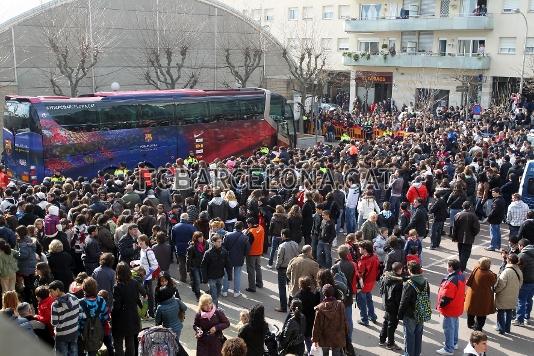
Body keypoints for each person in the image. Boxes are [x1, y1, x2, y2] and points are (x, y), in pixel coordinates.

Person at [398, 262, 429, 356]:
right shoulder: (425, 282)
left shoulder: (409, 284)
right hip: (421, 312)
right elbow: (427, 296)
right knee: (418, 335)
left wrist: (400, 314)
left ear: (410, 270)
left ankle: (409, 354)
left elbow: (404, 301)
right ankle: (416, 353)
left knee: (409, 336)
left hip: (410, 314)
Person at [112, 262, 143, 356]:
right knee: (130, 343)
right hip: (132, 317)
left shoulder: (117, 287)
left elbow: (116, 306)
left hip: (120, 320)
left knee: (118, 344)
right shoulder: (134, 282)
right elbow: (144, 293)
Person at [436, 259, 466, 356]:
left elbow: (447, 297)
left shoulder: (452, 280)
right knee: (455, 325)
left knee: (448, 328)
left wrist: (440, 305)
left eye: (448, 265)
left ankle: (449, 349)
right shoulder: (461, 276)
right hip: (457, 306)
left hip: (450, 308)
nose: (446, 267)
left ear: (451, 267)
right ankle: (454, 343)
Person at [312, 284, 347, 356]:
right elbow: (344, 321)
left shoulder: (319, 308)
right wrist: (345, 332)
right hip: (337, 336)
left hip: (324, 337)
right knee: (336, 353)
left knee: (324, 354)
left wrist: (315, 340)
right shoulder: (340, 305)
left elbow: (317, 326)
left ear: (323, 293)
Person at [464, 257, 497, 331]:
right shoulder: (489, 274)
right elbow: (493, 282)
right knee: (481, 314)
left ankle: (470, 324)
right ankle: (478, 328)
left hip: (473, 293)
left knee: (471, 310)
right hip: (483, 296)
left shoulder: (476, 269)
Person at [79, 277, 108, 356]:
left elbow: (78, 320)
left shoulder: (80, 303)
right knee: (93, 353)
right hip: (97, 332)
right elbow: (105, 317)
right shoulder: (101, 300)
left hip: (82, 334)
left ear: (84, 289)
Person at [49, 280, 80, 356]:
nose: (50, 294)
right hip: (74, 332)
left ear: (58, 290)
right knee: (73, 352)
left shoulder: (55, 305)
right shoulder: (75, 298)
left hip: (62, 335)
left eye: (51, 291)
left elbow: (54, 323)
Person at [201, 233, 232, 307]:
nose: (220, 243)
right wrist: (204, 278)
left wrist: (230, 276)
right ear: (213, 242)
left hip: (220, 276)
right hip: (211, 277)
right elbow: (203, 266)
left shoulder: (224, 252)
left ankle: (210, 302)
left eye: (221, 241)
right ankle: (215, 310)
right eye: (218, 241)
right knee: (214, 296)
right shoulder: (208, 253)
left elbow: (228, 265)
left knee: (217, 293)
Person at [495, 253, 523, 334]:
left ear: (509, 261)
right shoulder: (519, 271)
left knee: (500, 312)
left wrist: (496, 290)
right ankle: (507, 328)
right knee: (509, 311)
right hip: (513, 295)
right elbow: (520, 283)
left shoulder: (506, 271)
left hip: (503, 295)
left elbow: (501, 284)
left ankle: (501, 329)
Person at [378, 262, 403, 351]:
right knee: (392, 326)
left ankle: (382, 339)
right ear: (399, 270)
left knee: (386, 322)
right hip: (394, 307)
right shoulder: (398, 283)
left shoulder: (387, 277)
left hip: (386, 304)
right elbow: (398, 299)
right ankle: (390, 344)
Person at [133, 234, 159, 318]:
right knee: (145, 295)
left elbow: (155, 265)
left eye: (140, 243)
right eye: (138, 243)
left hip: (148, 278)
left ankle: (151, 313)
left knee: (149, 296)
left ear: (145, 241)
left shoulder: (149, 251)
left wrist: (148, 274)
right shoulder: (142, 250)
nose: (139, 244)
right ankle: (146, 312)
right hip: (144, 277)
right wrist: (135, 262)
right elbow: (143, 262)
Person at [222, 221, 250, 298]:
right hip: (239, 258)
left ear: (234, 227)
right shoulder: (245, 238)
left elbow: (223, 247)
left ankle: (224, 291)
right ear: (242, 228)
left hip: (228, 258)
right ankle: (236, 292)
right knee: (237, 275)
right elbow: (247, 250)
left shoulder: (227, 235)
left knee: (226, 275)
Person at [275, 228, 299, 312]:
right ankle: (291, 303)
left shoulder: (282, 246)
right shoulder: (295, 244)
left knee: (282, 288)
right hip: (293, 268)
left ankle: (283, 307)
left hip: (283, 269)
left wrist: (277, 266)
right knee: (291, 286)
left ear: (284, 235)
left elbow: (279, 259)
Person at [452, 201, 481, 272]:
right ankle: (461, 267)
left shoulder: (458, 215)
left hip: (460, 237)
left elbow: (454, 227)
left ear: (462, 206)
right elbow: (476, 228)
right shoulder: (473, 216)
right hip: (468, 238)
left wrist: (454, 237)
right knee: (465, 254)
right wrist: (473, 234)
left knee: (461, 252)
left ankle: (462, 266)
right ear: (470, 207)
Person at [356, 240, 379, 326]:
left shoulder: (363, 261)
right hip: (371, 282)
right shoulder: (375, 257)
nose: (359, 249)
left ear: (365, 249)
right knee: (369, 300)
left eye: (360, 248)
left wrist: (358, 287)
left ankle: (364, 320)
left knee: (362, 303)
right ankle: (372, 316)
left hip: (363, 284)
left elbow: (360, 275)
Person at [14, 225, 37, 304]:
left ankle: (28, 298)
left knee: (27, 283)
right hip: (31, 263)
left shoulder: (22, 244)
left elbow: (23, 255)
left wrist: (15, 254)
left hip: (25, 266)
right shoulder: (29, 239)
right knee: (31, 281)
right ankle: (34, 295)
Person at [171, 213, 196, 282]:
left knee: (181, 264)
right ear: (187, 218)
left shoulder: (175, 227)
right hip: (190, 248)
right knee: (190, 263)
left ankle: (183, 278)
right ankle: (192, 279)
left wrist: (175, 246)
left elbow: (172, 239)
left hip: (179, 248)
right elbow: (195, 238)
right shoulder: (191, 227)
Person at [515, 238, 534, 326]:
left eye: (519, 246)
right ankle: (527, 317)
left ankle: (519, 320)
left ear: (521, 246)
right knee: (529, 300)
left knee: (521, 300)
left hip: (525, 281)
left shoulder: (522, 255)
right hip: (533, 281)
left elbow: (518, 269)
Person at [244, 218, 264, 293]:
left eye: (247, 223)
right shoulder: (261, 228)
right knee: (258, 268)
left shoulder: (250, 232)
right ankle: (259, 283)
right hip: (259, 251)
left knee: (251, 270)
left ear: (250, 224)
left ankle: (252, 287)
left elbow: (248, 244)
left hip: (251, 253)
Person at [186, 231, 208, 300]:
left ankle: (193, 286)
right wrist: (188, 269)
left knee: (200, 280)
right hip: (194, 266)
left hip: (202, 265)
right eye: (199, 237)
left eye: (202, 236)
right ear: (196, 238)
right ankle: (198, 294)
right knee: (197, 280)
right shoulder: (192, 247)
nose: (201, 238)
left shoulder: (206, 244)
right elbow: (188, 259)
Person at [485, 187, 506, 251]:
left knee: (493, 233)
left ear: (498, 192)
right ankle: (497, 245)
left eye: (494, 192)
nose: (492, 193)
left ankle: (492, 246)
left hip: (495, 219)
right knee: (497, 233)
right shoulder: (501, 199)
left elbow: (494, 211)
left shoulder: (497, 201)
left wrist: (488, 217)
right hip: (498, 219)